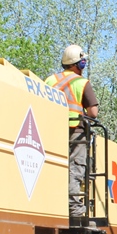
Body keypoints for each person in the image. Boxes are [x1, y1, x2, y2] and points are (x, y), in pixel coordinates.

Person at [45, 44, 99, 219]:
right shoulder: (82, 82)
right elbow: (93, 113)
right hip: (76, 131)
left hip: (51, 130)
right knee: (75, 167)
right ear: (80, 64)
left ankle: (50, 201)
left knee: (54, 165)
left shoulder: (49, 80)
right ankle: (74, 207)